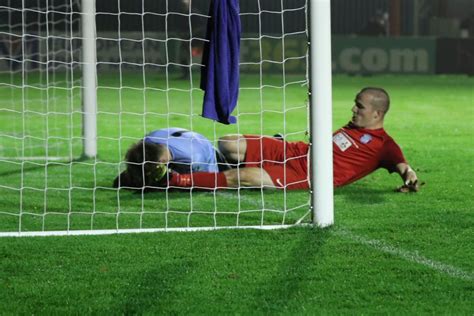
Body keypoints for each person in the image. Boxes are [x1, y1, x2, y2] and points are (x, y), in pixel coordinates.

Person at [117, 87, 420, 192]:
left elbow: (404, 167)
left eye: (360, 106)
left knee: (245, 177)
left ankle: (173, 181)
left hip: (304, 174)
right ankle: (201, 165)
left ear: (377, 113)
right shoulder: (355, 128)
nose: (353, 109)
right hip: (296, 150)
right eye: (355, 103)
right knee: (228, 143)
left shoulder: (385, 145)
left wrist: (409, 177)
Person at [113, 128, 229, 188]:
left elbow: (201, 179)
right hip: (192, 143)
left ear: (161, 162)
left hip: (213, 160)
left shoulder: (193, 160)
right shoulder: (148, 140)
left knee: (165, 183)